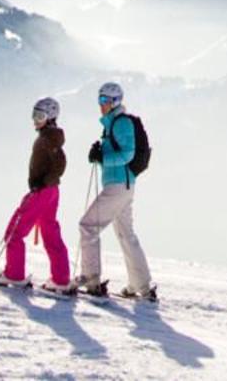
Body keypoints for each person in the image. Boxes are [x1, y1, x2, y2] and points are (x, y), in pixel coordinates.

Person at [75, 81, 156, 301]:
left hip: (119, 186)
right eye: (99, 100)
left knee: (88, 226)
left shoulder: (120, 123)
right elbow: (118, 158)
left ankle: (91, 279)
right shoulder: (112, 124)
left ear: (115, 102)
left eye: (105, 100)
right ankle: (142, 286)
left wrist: (103, 157)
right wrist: (100, 155)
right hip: (124, 185)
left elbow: (127, 155)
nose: (101, 104)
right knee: (126, 234)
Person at [0, 96, 73, 295]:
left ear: (50, 117)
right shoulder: (49, 136)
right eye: (34, 115)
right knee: (49, 230)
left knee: (15, 231)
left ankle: (14, 275)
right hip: (50, 191)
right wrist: (48, 183)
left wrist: (44, 182)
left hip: (43, 191)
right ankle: (61, 279)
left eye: (40, 115)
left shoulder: (48, 138)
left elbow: (60, 163)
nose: (35, 119)